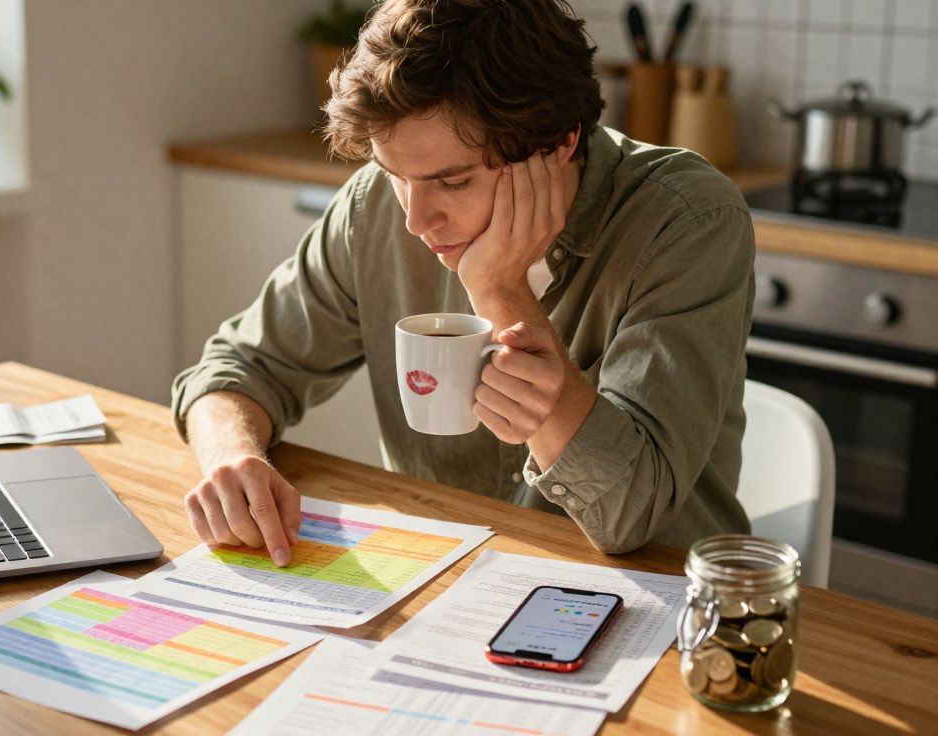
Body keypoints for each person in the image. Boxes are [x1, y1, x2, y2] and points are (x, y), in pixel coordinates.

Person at [171, 0, 754, 566]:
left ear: (560, 143)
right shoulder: (374, 207)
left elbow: (632, 518)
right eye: (395, 174)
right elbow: (239, 366)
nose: (415, 219)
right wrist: (231, 457)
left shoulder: (687, 220)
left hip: (656, 596)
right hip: (444, 575)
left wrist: (500, 289)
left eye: (452, 182)